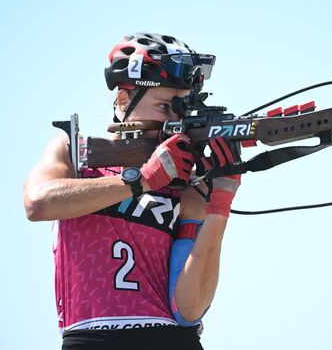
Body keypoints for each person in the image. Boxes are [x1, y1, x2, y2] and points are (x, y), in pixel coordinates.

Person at [23, 33, 240, 350]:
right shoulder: (73, 151)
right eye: (164, 106)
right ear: (124, 101)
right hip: (91, 339)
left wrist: (220, 200)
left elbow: (190, 309)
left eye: (181, 110)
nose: (173, 120)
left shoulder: (188, 182)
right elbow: (37, 202)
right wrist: (143, 180)